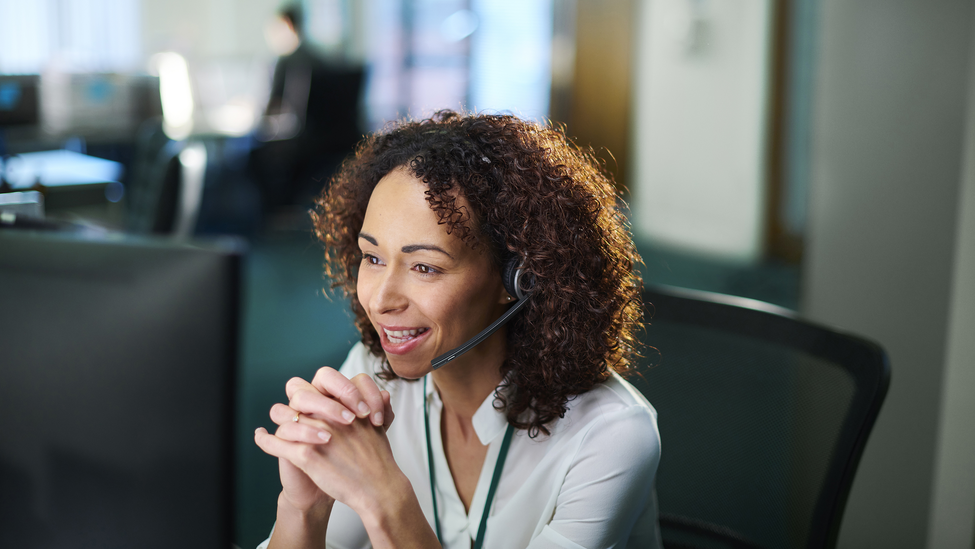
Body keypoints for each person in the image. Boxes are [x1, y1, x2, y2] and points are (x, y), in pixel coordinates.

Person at [254, 110, 662, 548]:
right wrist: (304, 508)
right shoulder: (369, 374)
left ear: (519, 278)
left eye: (425, 266)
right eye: (372, 258)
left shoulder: (610, 435)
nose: (381, 299)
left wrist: (385, 499)